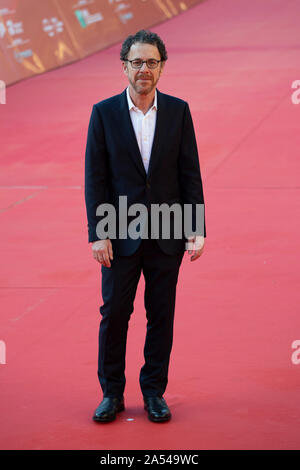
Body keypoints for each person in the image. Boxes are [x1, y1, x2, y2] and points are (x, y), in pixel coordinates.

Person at [84, 29, 206, 423]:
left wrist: (195, 226)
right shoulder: (103, 113)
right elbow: (95, 177)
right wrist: (98, 233)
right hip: (119, 235)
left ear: (162, 68)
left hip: (167, 233)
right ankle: (111, 394)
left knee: (161, 315)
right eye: (137, 62)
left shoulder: (179, 110)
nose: (144, 69)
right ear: (124, 67)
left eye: (152, 62)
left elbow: (190, 173)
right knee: (115, 314)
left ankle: (154, 392)